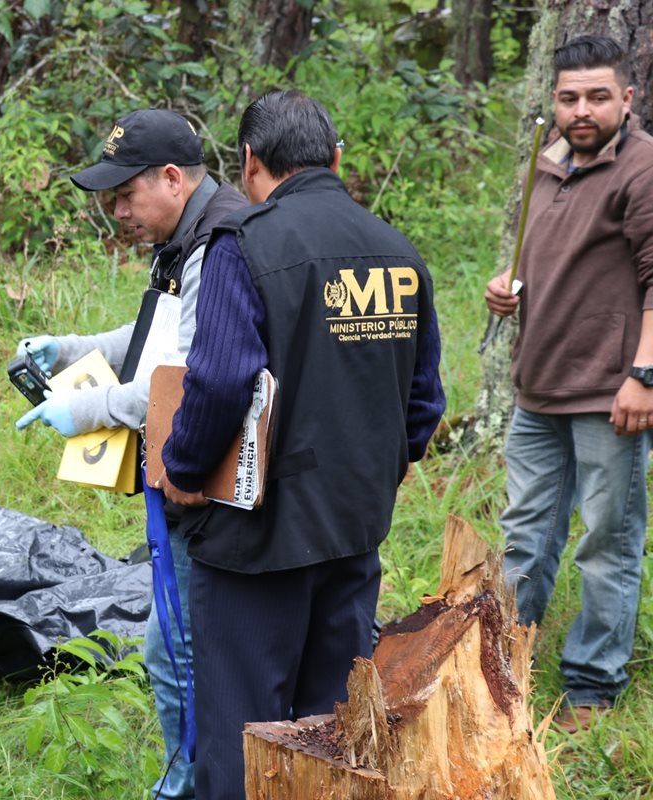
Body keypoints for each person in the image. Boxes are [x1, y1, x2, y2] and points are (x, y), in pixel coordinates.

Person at [156, 90, 444, 800]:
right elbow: (425, 400)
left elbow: (220, 379)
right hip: (352, 533)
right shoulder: (396, 251)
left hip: (256, 543)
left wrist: (183, 467)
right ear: (336, 159)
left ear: (249, 161)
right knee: (332, 733)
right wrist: (384, 467)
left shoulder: (243, 244)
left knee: (242, 735)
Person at [15, 108, 248, 800]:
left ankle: (190, 783)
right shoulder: (183, 239)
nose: (115, 210)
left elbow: (182, 382)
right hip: (186, 476)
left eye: (124, 195)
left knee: (173, 650)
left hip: (203, 478)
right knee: (184, 642)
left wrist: (82, 410)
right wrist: (70, 348)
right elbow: (154, 335)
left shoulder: (219, 246)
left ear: (173, 179)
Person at [483, 34, 653, 735]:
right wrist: (508, 289)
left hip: (609, 396)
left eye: (597, 97)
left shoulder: (642, 168)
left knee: (606, 542)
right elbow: (549, 259)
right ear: (553, 101)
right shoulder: (548, 161)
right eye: (569, 98)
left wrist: (644, 375)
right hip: (538, 389)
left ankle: (591, 687)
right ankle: (503, 673)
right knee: (523, 537)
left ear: (627, 99)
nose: (581, 111)